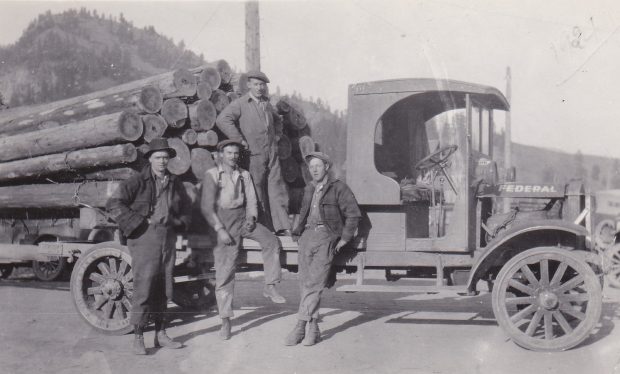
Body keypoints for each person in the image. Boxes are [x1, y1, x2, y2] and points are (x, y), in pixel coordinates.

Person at [106, 137, 191, 355]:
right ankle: (138, 337)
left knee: (165, 287)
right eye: (158, 157)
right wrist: (138, 222)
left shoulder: (174, 181)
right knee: (144, 286)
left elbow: (186, 208)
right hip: (144, 237)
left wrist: (179, 223)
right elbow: (113, 204)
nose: (162, 161)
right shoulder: (137, 181)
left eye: (165, 157)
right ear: (150, 159)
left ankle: (161, 334)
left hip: (167, 238)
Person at [200, 139, 287, 341]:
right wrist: (220, 229)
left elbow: (252, 200)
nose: (233, 156)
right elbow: (206, 207)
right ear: (221, 155)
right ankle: (225, 321)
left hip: (242, 219)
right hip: (223, 221)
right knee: (226, 272)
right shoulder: (213, 175)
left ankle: (270, 285)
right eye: (229, 153)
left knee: (271, 241)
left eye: (236, 153)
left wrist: (251, 218)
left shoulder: (244, 174)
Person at [285, 151, 361, 346]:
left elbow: (353, 214)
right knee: (305, 282)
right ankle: (313, 328)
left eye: (318, 166)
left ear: (327, 167)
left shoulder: (339, 188)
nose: (314, 170)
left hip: (326, 237)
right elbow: (303, 213)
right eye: (311, 167)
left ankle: (301, 325)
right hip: (307, 237)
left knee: (314, 284)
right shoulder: (309, 188)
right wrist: (297, 233)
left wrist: (344, 239)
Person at [215, 70, 291, 235]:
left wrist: (277, 135)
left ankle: (282, 226)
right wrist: (239, 140)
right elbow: (222, 120)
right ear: (248, 85)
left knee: (276, 188)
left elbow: (278, 120)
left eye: (262, 85)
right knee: (256, 189)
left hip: (272, 153)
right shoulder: (241, 103)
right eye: (256, 84)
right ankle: (263, 226)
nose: (259, 88)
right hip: (252, 154)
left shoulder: (267, 104)